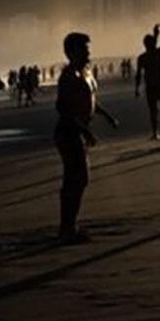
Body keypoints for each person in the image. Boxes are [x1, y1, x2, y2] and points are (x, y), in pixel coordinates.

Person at [55, 32, 119, 242]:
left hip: (79, 130)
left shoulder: (86, 73)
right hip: (68, 132)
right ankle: (67, 228)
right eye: (83, 49)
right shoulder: (67, 77)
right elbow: (63, 109)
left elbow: (91, 101)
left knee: (78, 179)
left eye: (88, 48)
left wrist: (108, 116)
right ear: (71, 52)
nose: (88, 52)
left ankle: (69, 227)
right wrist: (84, 130)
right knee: (78, 178)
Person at [135, 25, 160, 140]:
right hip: (155, 85)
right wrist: (137, 88)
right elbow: (138, 74)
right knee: (156, 109)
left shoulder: (146, 57)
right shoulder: (146, 57)